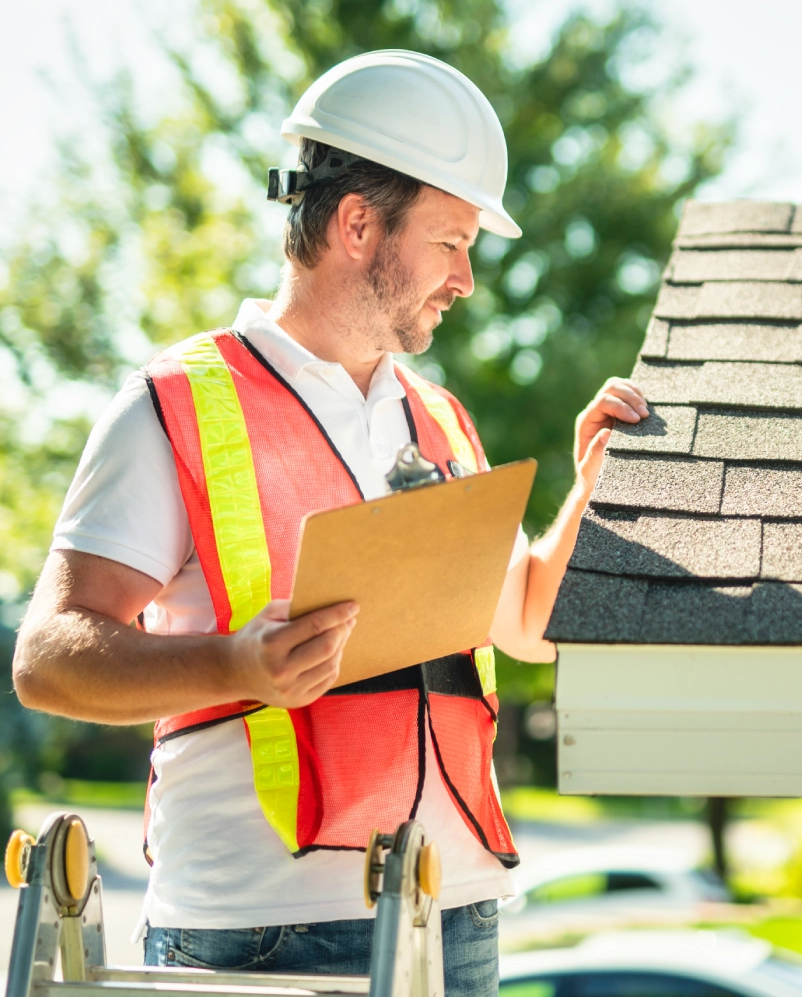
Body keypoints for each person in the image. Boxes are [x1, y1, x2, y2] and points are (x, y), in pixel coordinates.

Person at [12, 50, 648, 996]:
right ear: (358, 223)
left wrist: (591, 483)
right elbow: (47, 659)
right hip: (261, 931)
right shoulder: (175, 404)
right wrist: (233, 664)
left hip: (454, 914)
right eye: (452, 240)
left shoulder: (437, 419)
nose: (467, 278)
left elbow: (527, 626)